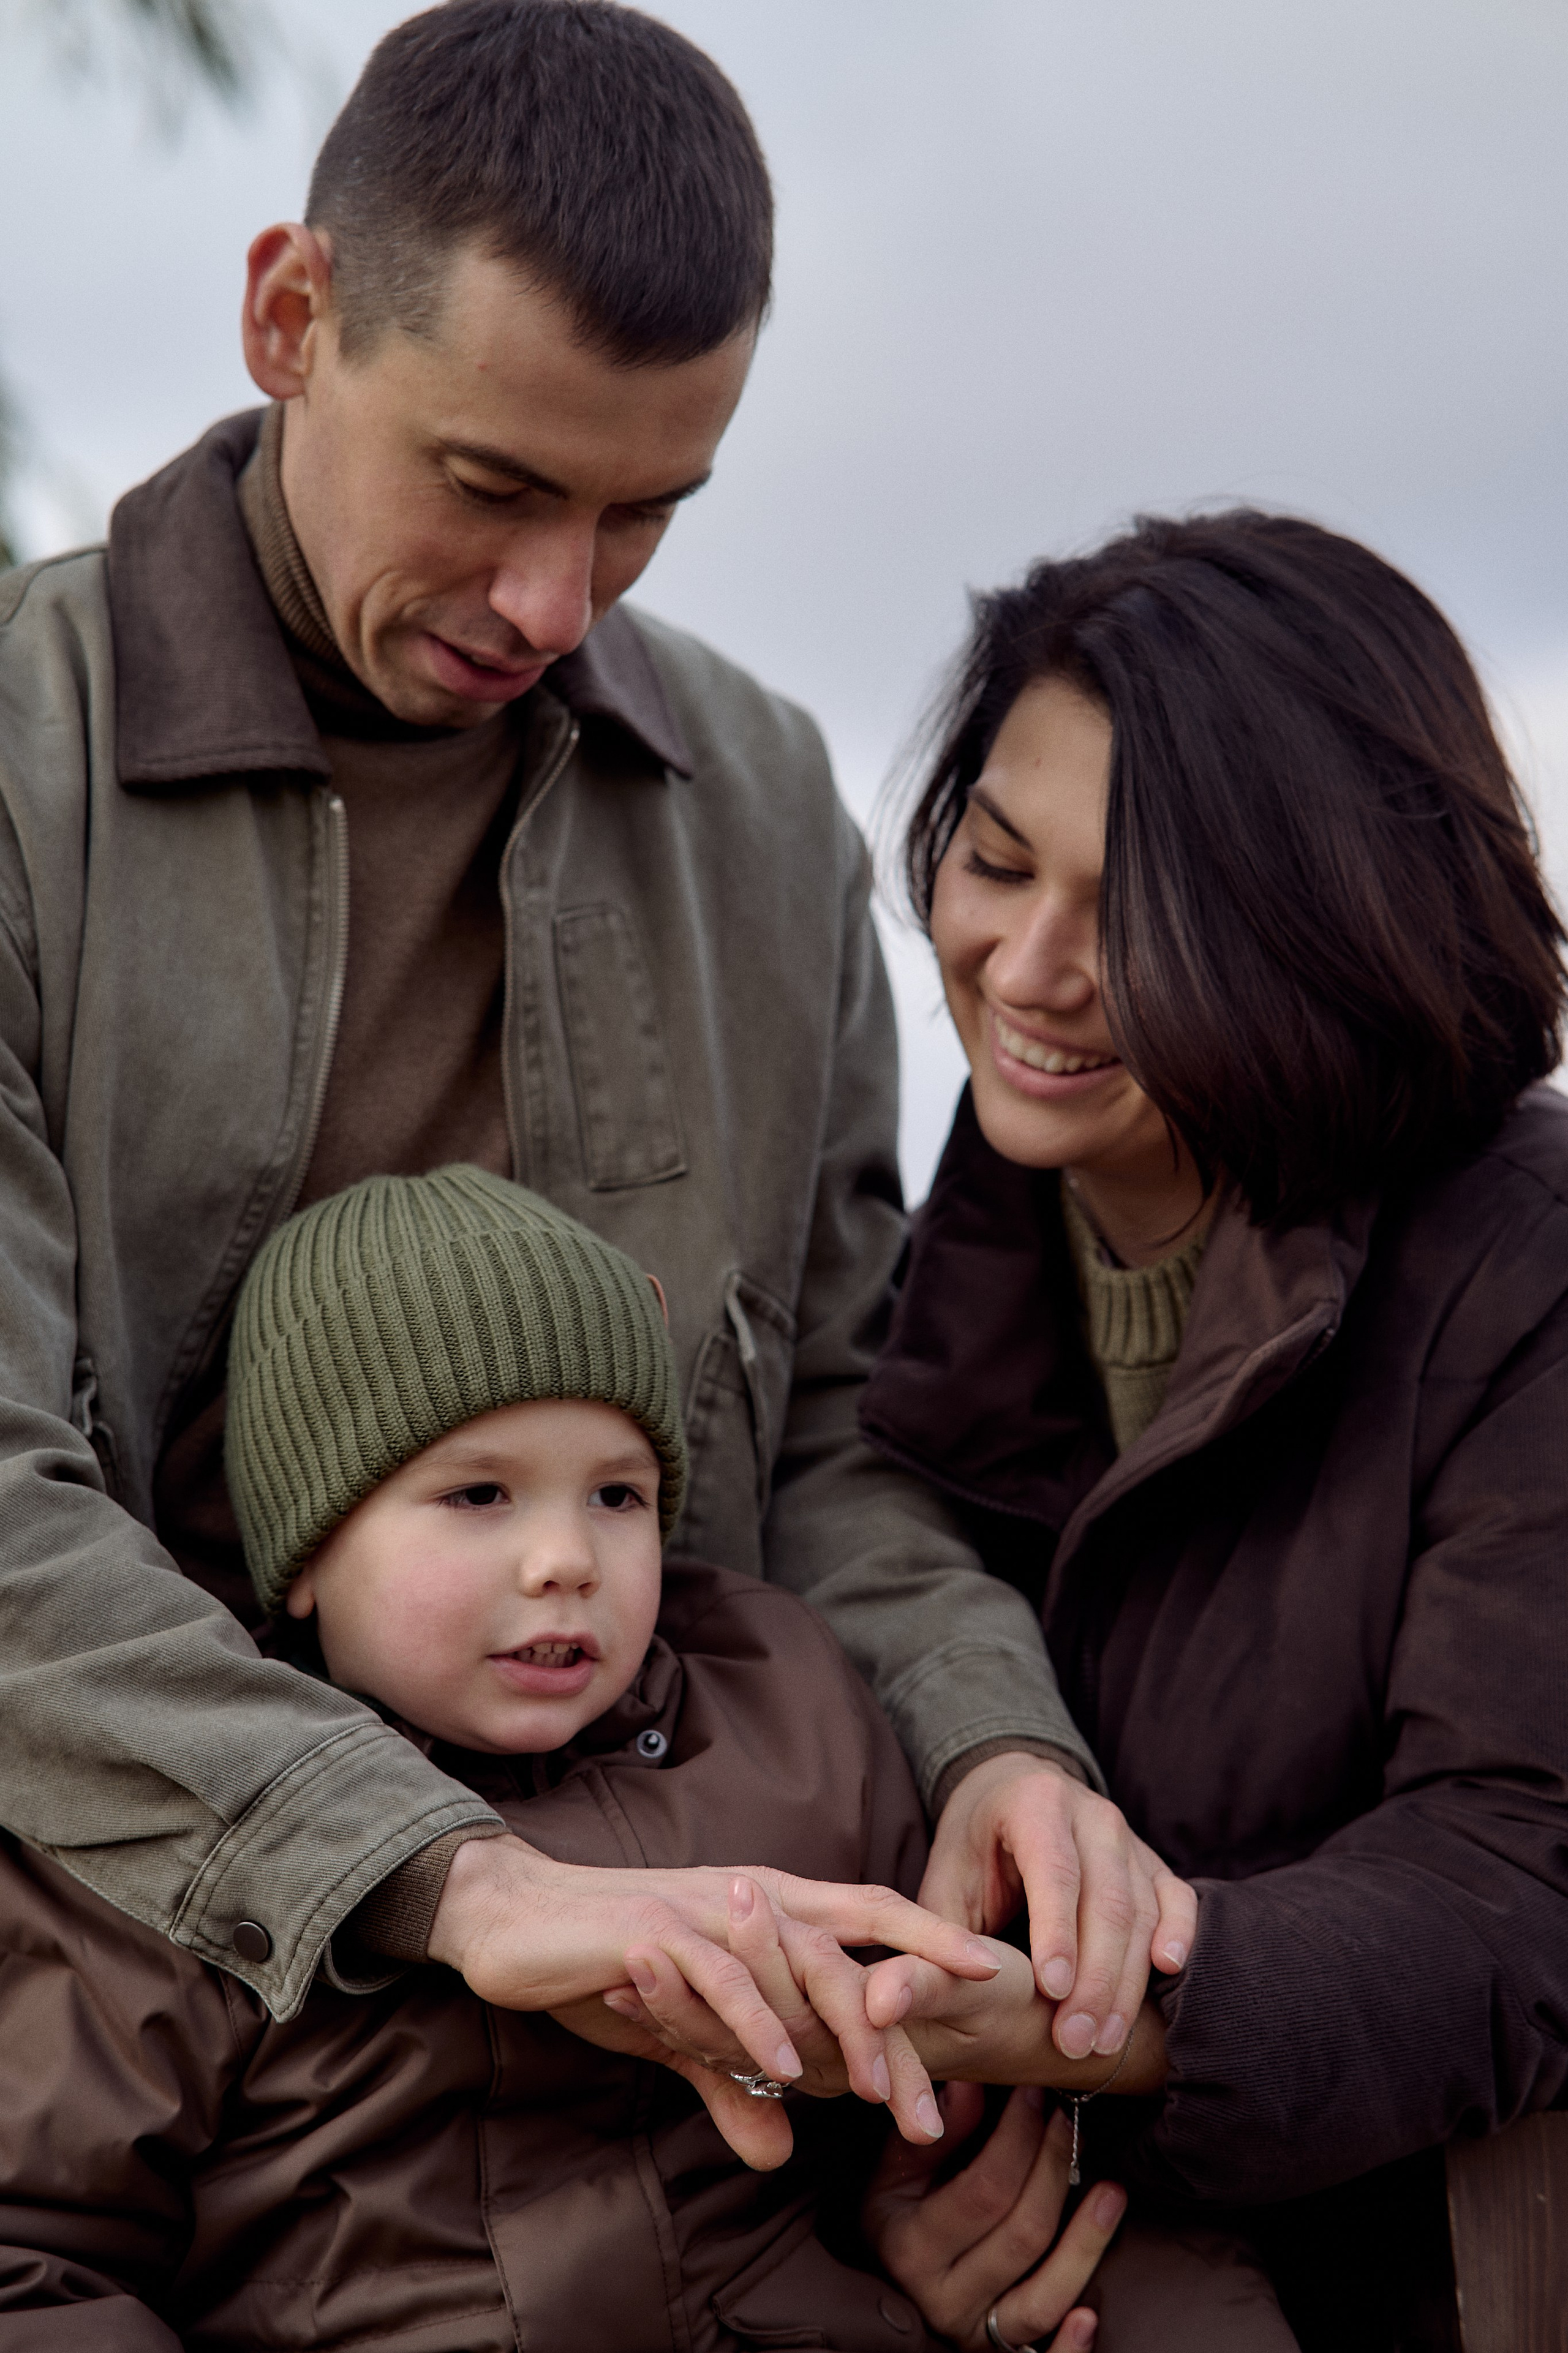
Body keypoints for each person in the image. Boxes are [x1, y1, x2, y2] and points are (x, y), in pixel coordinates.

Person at [0, 0, 1189, 2077]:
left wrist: (997, 1745)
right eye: (491, 483)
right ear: (292, 314)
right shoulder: (27, 768)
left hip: (699, 2021)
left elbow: (834, 1437)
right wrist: (454, 1874)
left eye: (648, 514)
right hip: (121, 2016)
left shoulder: (758, 802)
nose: (558, 598)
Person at [0, 1166, 1131, 2352]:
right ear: (307, 1554)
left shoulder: (780, 1710)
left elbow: (947, 2071)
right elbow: (36, 2255)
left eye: (617, 1493)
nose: (564, 1558)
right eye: (479, 1491)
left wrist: (920, 2227)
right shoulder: (185, 1831)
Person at [853, 508, 1568, 2349]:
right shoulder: (918, 1278)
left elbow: (1516, 1882)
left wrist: (1077, 2029)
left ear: (1329, 922)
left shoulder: (1526, 1265)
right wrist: (920, 2202)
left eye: (1139, 917)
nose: (1027, 967)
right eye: (997, 864)